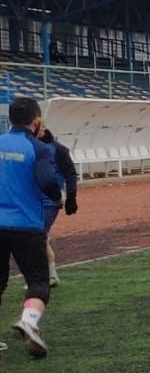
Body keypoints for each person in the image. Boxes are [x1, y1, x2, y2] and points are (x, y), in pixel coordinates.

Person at [1, 97, 62, 357]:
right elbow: (46, 180)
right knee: (38, 282)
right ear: (36, 121)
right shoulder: (38, 149)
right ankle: (29, 320)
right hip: (26, 223)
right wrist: (57, 195)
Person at [36, 123, 78, 287]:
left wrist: (71, 197)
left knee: (39, 235)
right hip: (33, 199)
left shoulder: (58, 149)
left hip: (50, 200)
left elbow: (70, 174)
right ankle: (49, 275)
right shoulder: (32, 148)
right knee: (40, 236)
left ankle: (44, 276)